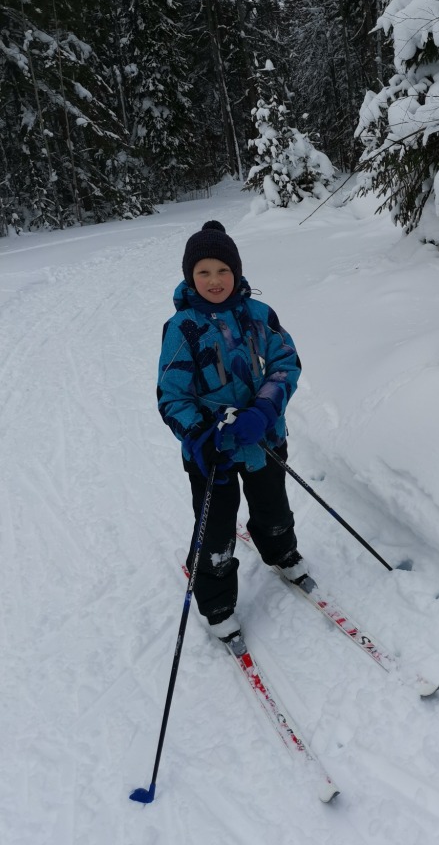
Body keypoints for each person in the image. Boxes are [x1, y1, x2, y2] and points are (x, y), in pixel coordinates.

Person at [157, 219, 305, 642]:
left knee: (273, 506)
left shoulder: (259, 316)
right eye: (203, 272)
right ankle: (217, 600)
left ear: (236, 272)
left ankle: (280, 549)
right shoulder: (183, 328)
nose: (215, 280)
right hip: (212, 454)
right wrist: (200, 436)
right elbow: (171, 396)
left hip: (263, 440)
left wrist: (264, 408)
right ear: (190, 277)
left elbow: (285, 363)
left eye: (223, 270)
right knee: (216, 528)